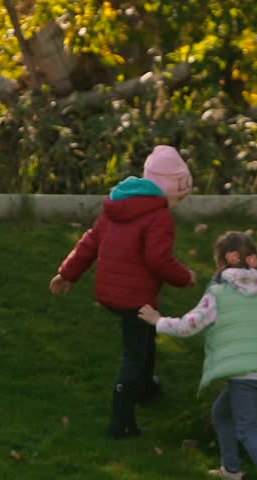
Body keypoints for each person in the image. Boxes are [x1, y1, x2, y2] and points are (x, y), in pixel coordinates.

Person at [49, 145, 196, 438]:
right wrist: (185, 277)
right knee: (133, 355)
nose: (179, 202)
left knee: (146, 336)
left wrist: (67, 272)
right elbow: (158, 259)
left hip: (110, 291)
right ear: (169, 188)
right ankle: (122, 422)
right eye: (180, 196)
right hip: (135, 297)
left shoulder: (118, 206)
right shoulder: (159, 216)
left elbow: (89, 242)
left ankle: (147, 387)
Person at [138, 231, 257, 480]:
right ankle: (231, 469)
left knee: (247, 429)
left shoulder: (217, 295)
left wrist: (158, 321)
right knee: (221, 412)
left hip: (242, 373)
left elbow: (189, 325)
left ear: (225, 260)